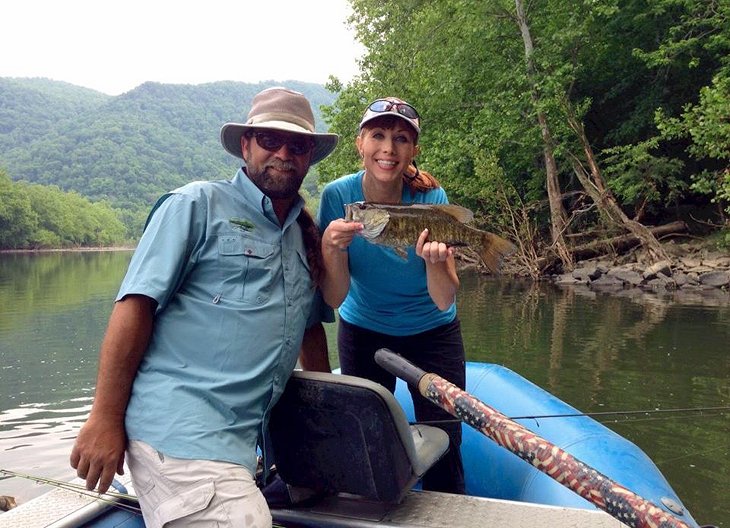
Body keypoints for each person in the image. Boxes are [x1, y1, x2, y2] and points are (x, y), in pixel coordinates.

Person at [70, 87, 337, 528]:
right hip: (180, 434)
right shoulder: (195, 205)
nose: (284, 153)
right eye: (270, 140)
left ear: (309, 156)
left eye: (298, 144)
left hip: (241, 442)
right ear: (246, 145)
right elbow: (134, 306)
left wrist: (326, 424)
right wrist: (103, 417)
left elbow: (309, 330)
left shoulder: (303, 235)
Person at [318, 97, 466, 494]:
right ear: (360, 144)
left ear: (413, 150)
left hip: (432, 331)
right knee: (363, 439)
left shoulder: (431, 198)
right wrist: (331, 248)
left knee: (446, 439)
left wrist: (436, 261)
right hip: (363, 329)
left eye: (401, 139)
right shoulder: (338, 198)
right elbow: (333, 298)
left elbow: (443, 300)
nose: (388, 148)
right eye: (378, 136)